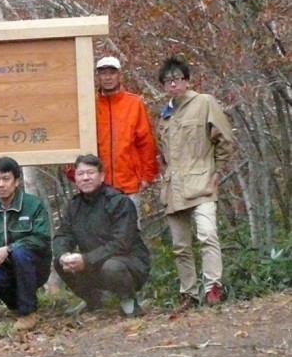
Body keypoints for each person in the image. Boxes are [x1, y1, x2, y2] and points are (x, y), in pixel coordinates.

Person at [157, 57, 234, 311]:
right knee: (180, 245)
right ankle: (188, 294)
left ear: (188, 80)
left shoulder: (204, 102)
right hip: (174, 187)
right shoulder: (164, 114)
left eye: (178, 79)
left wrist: (217, 170)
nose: (173, 84)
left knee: (207, 233)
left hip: (202, 181)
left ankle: (213, 287)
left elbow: (224, 139)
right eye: (168, 81)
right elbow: (163, 152)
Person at [54, 154, 151, 318]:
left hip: (128, 263)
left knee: (111, 267)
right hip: (92, 263)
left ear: (102, 176)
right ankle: (94, 301)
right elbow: (63, 235)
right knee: (60, 262)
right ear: (75, 178)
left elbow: (121, 243)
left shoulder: (119, 202)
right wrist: (64, 254)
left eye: (90, 173)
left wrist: (86, 260)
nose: (85, 178)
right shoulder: (74, 206)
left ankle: (128, 301)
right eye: (80, 174)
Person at [0, 156, 52, 331]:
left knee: (20, 253)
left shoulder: (33, 205)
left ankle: (28, 312)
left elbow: (42, 238)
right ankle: (17, 306)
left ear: (16, 181)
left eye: (6, 179)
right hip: (5, 270)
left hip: (34, 266)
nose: (1, 184)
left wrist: (9, 249)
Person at [94, 56, 159, 226]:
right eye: (103, 73)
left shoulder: (134, 103)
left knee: (130, 235)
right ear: (98, 76)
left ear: (119, 75)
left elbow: (146, 141)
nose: (108, 77)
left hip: (129, 183)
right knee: (99, 236)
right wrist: (74, 171)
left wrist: (147, 176)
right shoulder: (89, 104)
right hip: (96, 186)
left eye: (112, 73)